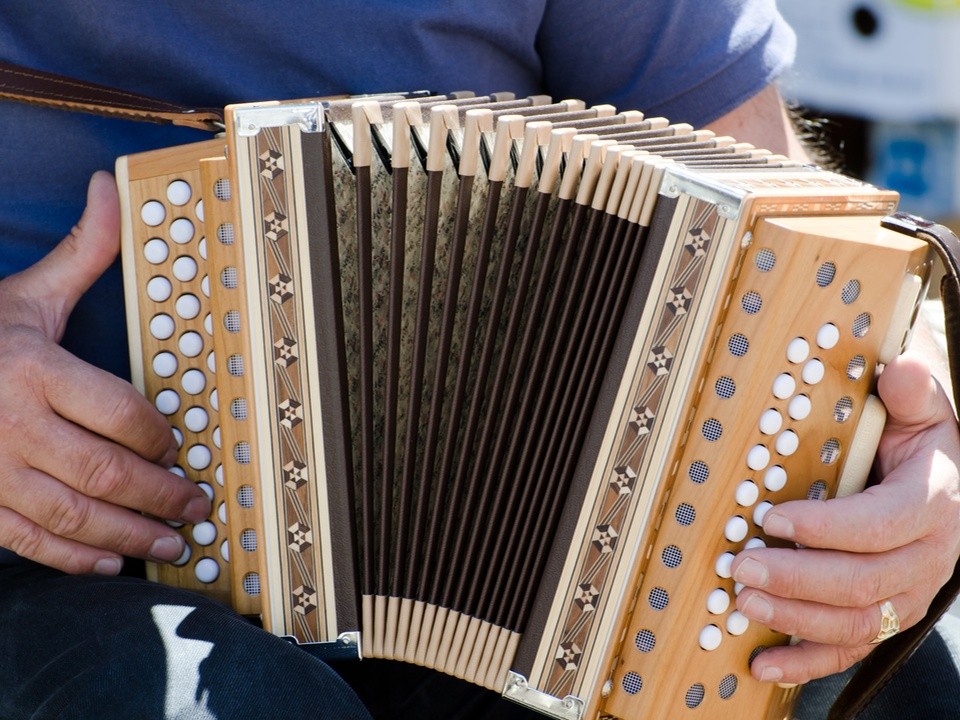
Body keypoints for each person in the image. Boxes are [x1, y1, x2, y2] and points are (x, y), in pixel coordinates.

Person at [1, 2, 958, 718]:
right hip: (55, 548)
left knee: (887, 685)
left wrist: (913, 414)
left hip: (555, 552)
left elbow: (765, 181)